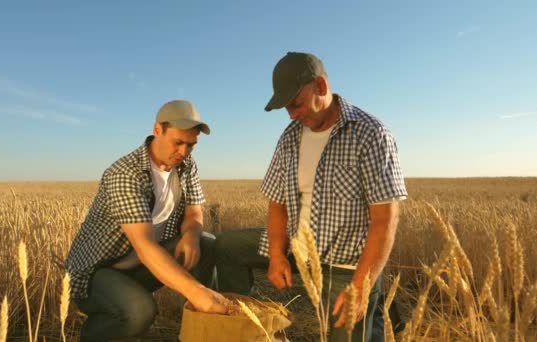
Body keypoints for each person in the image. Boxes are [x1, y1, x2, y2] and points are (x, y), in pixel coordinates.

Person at [215, 52, 408, 341]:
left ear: (320, 85)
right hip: (296, 246)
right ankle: (245, 326)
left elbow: (385, 219)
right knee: (226, 246)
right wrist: (277, 255)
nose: (292, 114)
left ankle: (373, 315)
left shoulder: (371, 134)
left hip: (346, 265)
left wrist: (360, 286)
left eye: (296, 103)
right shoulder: (290, 137)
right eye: (286, 108)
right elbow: (277, 202)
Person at [65, 100, 228, 341]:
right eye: (178, 142)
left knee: (205, 243)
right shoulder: (124, 173)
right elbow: (144, 245)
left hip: (142, 264)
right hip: (99, 271)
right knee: (139, 311)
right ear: (157, 130)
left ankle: (205, 332)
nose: (184, 152)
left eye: (191, 145)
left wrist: (191, 236)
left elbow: (194, 213)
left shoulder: (186, 165)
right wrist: (197, 291)